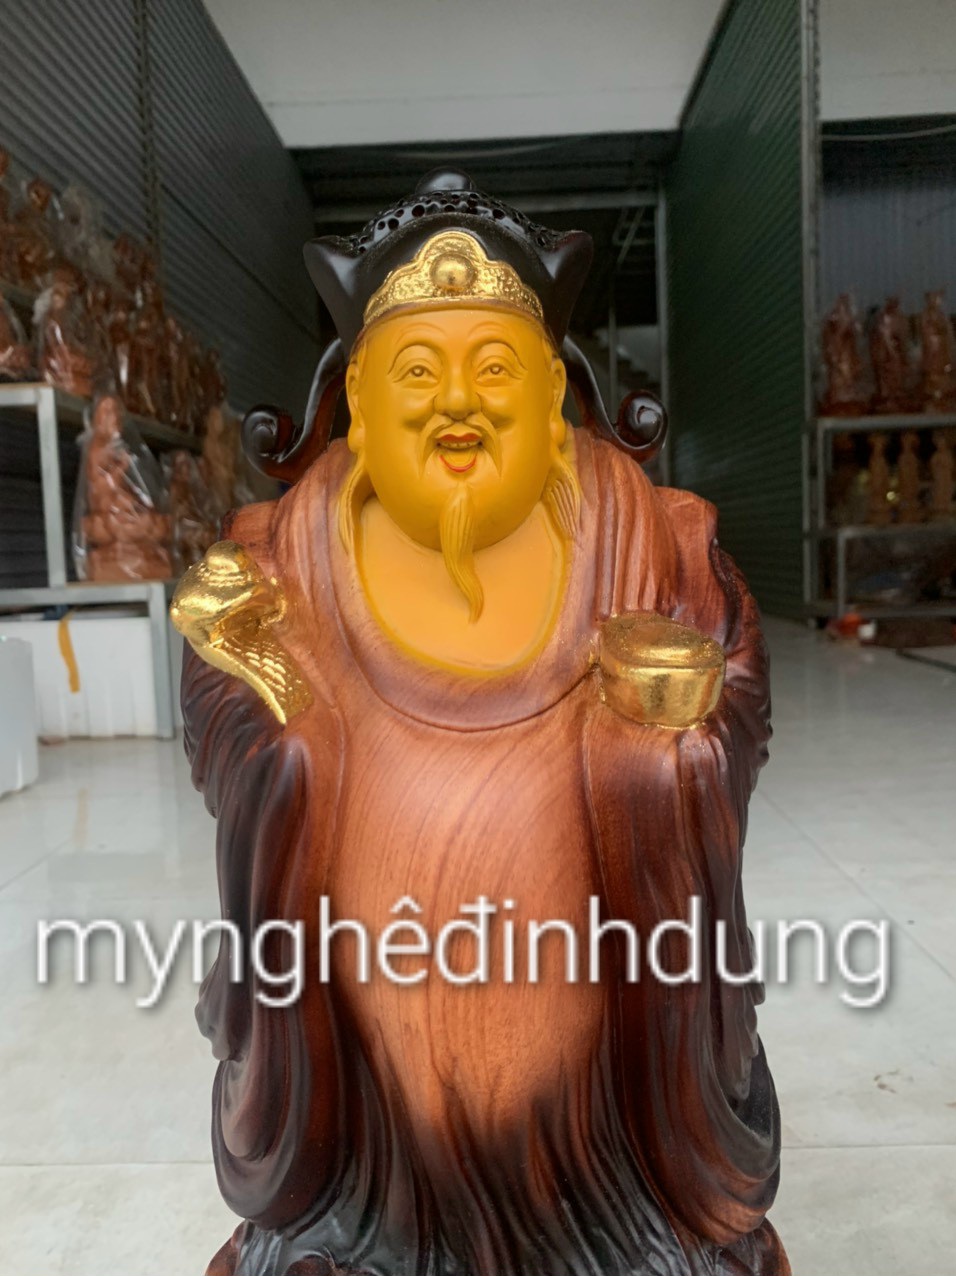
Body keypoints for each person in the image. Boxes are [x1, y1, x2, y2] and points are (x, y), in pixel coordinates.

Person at [173, 172, 788, 1276]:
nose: (458, 401)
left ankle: (616, 1220)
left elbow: (733, 686)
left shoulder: (648, 538)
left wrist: (662, 745)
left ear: (551, 394)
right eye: (418, 370)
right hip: (368, 1127)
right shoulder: (287, 550)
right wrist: (278, 720)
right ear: (359, 404)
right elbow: (224, 716)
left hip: (606, 1121)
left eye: (495, 368)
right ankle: (368, 1226)